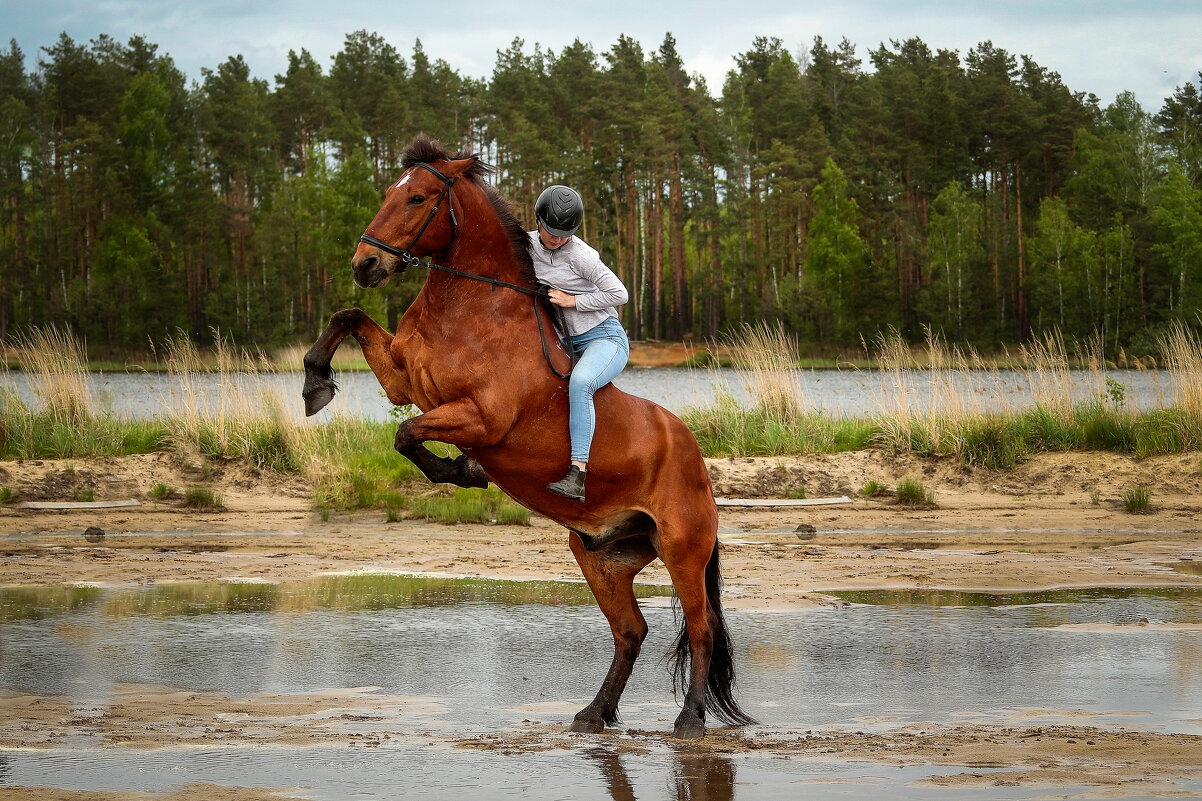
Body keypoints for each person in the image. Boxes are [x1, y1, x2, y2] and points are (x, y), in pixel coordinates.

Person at [529, 185, 630, 503]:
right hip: (564, 342)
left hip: (605, 338)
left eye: (564, 233)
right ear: (538, 221)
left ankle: (578, 473)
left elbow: (620, 294)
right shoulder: (528, 244)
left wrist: (573, 301)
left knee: (582, 382)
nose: (557, 239)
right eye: (551, 231)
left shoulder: (582, 256)